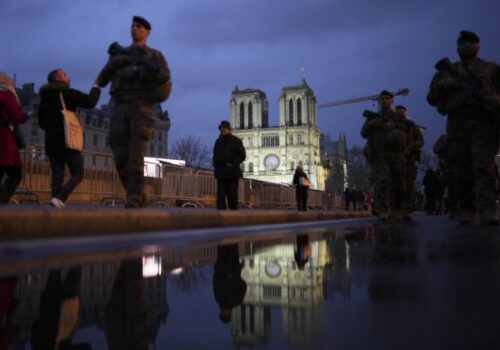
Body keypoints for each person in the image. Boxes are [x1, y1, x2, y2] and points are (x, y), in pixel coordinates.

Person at [95, 16, 172, 208]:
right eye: (132, 26)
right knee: (119, 154)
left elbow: (164, 76)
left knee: (136, 155)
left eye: (139, 26)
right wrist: (115, 63)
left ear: (147, 32)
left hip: (141, 107)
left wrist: (138, 71)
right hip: (119, 106)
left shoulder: (154, 56)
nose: (134, 29)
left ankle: (134, 198)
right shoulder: (120, 54)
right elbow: (103, 79)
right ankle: (137, 194)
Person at [427, 30, 500, 225]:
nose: (467, 46)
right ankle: (467, 210)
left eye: (472, 42)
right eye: (463, 43)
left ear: (478, 45)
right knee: (463, 168)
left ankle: (488, 210)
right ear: (457, 47)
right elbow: (431, 99)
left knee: (484, 167)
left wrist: (496, 99)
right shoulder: (448, 71)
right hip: (458, 125)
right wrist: (443, 86)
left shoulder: (490, 69)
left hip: (484, 124)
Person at [38, 69, 100, 208]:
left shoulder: (44, 97)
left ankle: (56, 201)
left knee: (57, 174)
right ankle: (60, 197)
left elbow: (41, 123)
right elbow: (90, 102)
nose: (68, 76)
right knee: (78, 172)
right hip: (67, 140)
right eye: (64, 74)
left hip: (51, 142)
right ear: (57, 77)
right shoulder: (67, 93)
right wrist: (96, 86)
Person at [361, 90, 409, 221]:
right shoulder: (373, 117)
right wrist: (372, 124)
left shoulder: (397, 116)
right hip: (380, 154)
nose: (384, 101)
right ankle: (384, 210)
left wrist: (392, 127)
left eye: (387, 98)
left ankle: (398, 209)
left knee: (399, 183)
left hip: (395, 153)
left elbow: (406, 132)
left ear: (392, 101)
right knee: (382, 181)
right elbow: (363, 133)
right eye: (381, 99)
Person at [0, 72, 29, 204]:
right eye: (9, 79)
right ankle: (2, 201)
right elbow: (16, 117)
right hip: (5, 140)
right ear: (4, 82)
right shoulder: (7, 95)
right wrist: (24, 116)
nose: (12, 81)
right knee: (15, 174)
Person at [395, 105, 424, 213]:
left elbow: (420, 141)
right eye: (398, 111)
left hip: (409, 159)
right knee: (397, 184)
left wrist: (411, 147)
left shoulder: (412, 126)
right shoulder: (392, 125)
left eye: (402, 112)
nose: (400, 114)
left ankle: (408, 205)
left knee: (409, 183)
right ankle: (399, 207)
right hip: (396, 159)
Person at [213, 120, 246, 210]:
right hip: (221, 173)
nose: (222, 130)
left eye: (224, 128)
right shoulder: (218, 142)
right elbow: (215, 156)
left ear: (228, 129)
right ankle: (220, 214)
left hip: (232, 172)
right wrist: (216, 169)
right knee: (220, 195)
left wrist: (233, 163)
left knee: (232, 195)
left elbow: (242, 155)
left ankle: (233, 214)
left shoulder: (236, 141)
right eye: (221, 128)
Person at [213, 244, 247, 324]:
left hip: (221, 267)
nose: (222, 312)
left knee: (221, 245)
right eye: (224, 314)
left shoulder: (218, 300)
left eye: (221, 313)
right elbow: (243, 285)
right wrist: (233, 277)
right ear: (229, 313)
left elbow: (215, 285)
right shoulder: (237, 301)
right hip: (232, 266)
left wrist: (216, 273)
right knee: (232, 245)